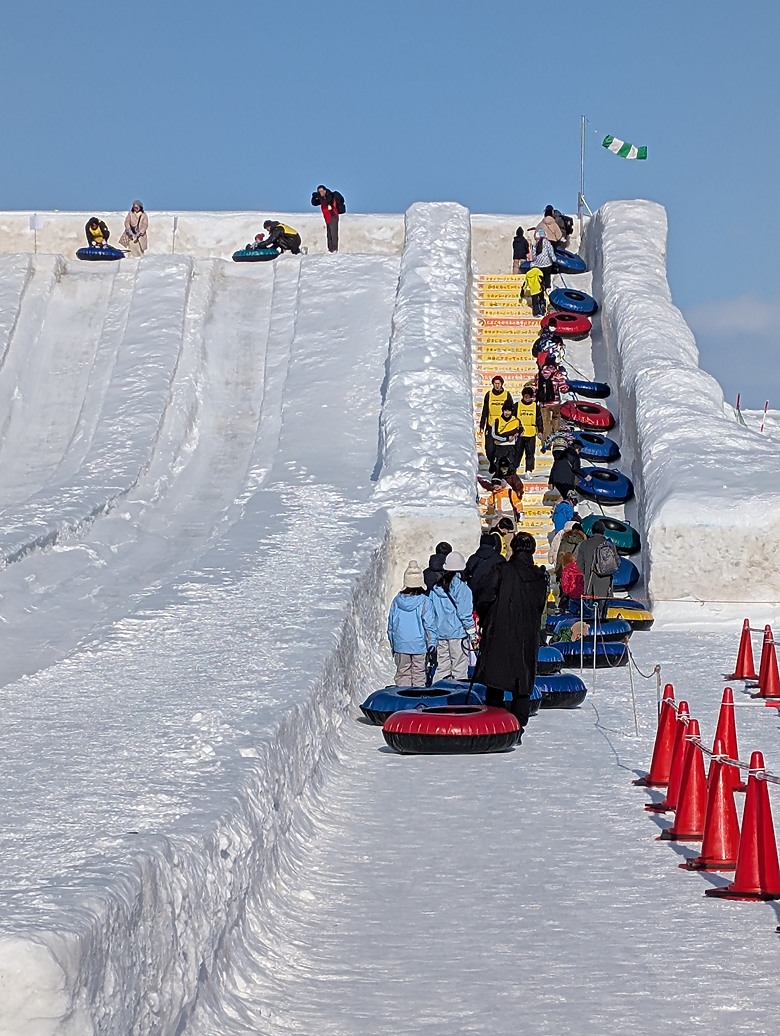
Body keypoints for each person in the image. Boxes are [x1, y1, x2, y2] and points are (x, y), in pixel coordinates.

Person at [472, 532, 548, 731]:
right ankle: (518, 723)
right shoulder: (539, 577)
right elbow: (540, 606)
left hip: (500, 630)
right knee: (522, 683)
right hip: (527, 634)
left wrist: (488, 616)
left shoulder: (501, 570)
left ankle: (493, 724)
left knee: (495, 679)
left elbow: (484, 597)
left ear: (513, 548)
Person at [387, 560, 437, 687]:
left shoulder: (396, 601)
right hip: (419, 645)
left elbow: (391, 626)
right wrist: (432, 644)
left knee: (403, 674)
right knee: (419, 674)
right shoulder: (425, 602)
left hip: (401, 645)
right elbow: (430, 625)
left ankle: (403, 701)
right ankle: (417, 702)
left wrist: (394, 644)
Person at [427, 552, 476, 681]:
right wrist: (472, 632)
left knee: (442, 667)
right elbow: (465, 614)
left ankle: (437, 694)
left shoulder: (436, 588)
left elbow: (431, 614)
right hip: (458, 635)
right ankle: (458, 695)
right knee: (459, 668)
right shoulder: (462, 589)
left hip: (441, 634)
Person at [576, 520, 618, 620]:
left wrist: (587, 572)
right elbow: (616, 563)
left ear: (592, 530)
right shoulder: (609, 544)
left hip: (590, 582)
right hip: (605, 583)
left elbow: (579, 564)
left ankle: (592, 631)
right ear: (604, 531)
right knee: (603, 613)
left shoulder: (584, 544)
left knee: (591, 614)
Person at [463, 534, 505, 614]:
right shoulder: (500, 559)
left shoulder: (473, 558)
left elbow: (466, 574)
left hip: (474, 594)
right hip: (493, 596)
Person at [479, 375, 513, 472]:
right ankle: (492, 462)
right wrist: (482, 425)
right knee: (489, 448)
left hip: (503, 425)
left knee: (501, 448)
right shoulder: (489, 394)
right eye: (495, 383)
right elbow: (485, 410)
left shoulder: (507, 394)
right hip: (490, 425)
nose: (497, 385)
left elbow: (511, 410)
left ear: (502, 384)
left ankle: (498, 466)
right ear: (493, 384)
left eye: (499, 383)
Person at [536, 356, 568, 440]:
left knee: (545, 421)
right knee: (556, 418)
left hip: (543, 402)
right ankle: (556, 436)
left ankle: (546, 438)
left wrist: (534, 398)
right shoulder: (557, 374)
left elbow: (535, 387)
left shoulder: (539, 374)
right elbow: (563, 388)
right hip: (555, 402)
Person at [310, 185, 345, 253]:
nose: (321, 192)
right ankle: (330, 248)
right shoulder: (322, 197)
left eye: (322, 191)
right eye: (320, 191)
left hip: (333, 215)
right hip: (327, 217)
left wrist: (318, 196)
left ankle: (334, 248)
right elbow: (314, 203)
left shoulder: (330, 195)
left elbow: (326, 201)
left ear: (325, 190)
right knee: (329, 233)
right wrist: (314, 197)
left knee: (333, 232)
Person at [491, 399, 520, 472]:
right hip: (500, 447)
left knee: (511, 468)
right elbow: (494, 435)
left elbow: (521, 431)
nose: (507, 413)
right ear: (503, 411)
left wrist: (517, 435)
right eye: (505, 411)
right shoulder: (497, 420)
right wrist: (506, 439)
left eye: (509, 411)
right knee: (499, 467)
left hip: (511, 447)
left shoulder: (516, 420)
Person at [514, 385, 538, 476]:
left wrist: (540, 430)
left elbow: (539, 418)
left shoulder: (535, 406)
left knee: (530, 452)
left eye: (529, 396)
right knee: (517, 452)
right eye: (525, 396)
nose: (527, 398)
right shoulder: (517, 405)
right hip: (520, 433)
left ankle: (528, 470)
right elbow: (513, 418)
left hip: (531, 433)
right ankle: (514, 468)